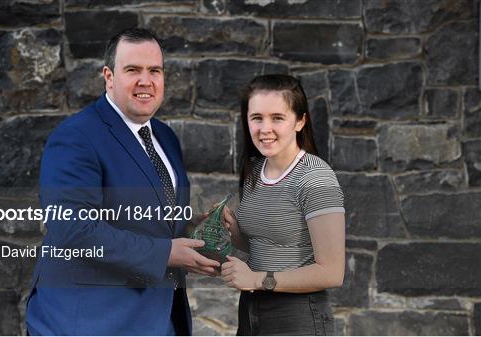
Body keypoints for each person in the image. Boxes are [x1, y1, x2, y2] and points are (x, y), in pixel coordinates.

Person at [25, 28, 220, 335]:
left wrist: (197, 227)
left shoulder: (164, 137)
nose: (146, 81)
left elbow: (152, 219)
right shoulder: (76, 136)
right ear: (109, 76)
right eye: (133, 70)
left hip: (157, 320)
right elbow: (74, 229)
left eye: (155, 70)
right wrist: (166, 253)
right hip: (89, 323)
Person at [221, 74, 345, 336]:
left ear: (300, 121)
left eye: (277, 118)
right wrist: (235, 234)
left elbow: (332, 272)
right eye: (257, 118)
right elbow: (272, 243)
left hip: (298, 315)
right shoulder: (255, 170)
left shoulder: (315, 177)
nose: (265, 128)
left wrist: (256, 279)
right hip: (251, 310)